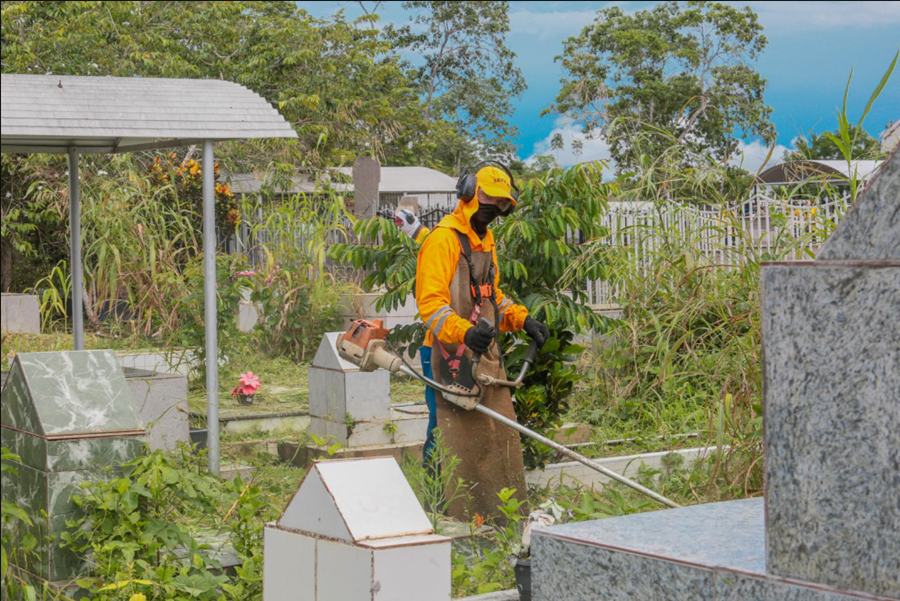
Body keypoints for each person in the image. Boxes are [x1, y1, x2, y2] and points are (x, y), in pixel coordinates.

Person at [414, 162, 550, 520]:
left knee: (488, 430)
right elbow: (430, 304)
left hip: (482, 350)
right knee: (444, 429)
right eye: (489, 199)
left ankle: (484, 508)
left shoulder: (485, 240)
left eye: (502, 204)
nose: (494, 210)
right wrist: (463, 332)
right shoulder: (441, 240)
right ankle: (435, 509)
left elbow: (490, 296)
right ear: (469, 192)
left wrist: (522, 320)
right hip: (444, 353)